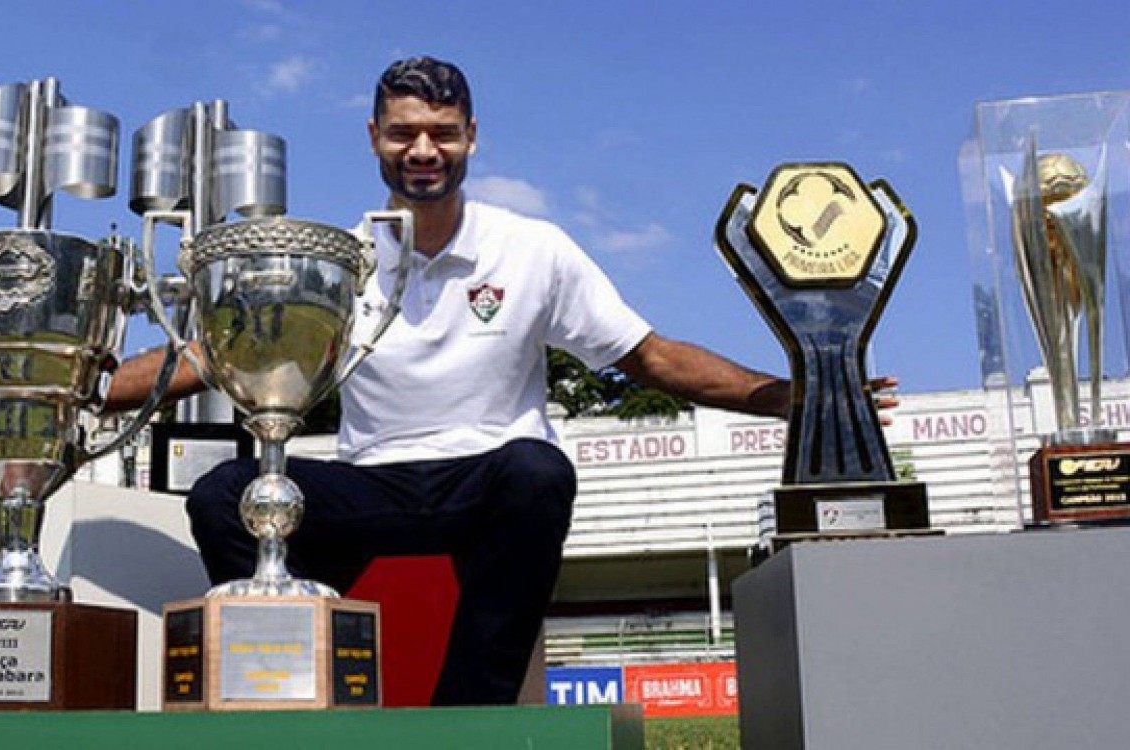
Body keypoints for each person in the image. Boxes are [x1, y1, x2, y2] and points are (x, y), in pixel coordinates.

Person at [106, 56, 882, 705]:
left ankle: (469, 714)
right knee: (223, 494)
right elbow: (209, 356)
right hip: (369, 485)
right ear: (373, 138)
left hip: (485, 486)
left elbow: (650, 357)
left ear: (471, 137)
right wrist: (84, 387)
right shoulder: (339, 261)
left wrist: (797, 396)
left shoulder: (533, 249)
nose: (423, 149)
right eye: (403, 132)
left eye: (442, 133)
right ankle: (299, 689)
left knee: (539, 471)